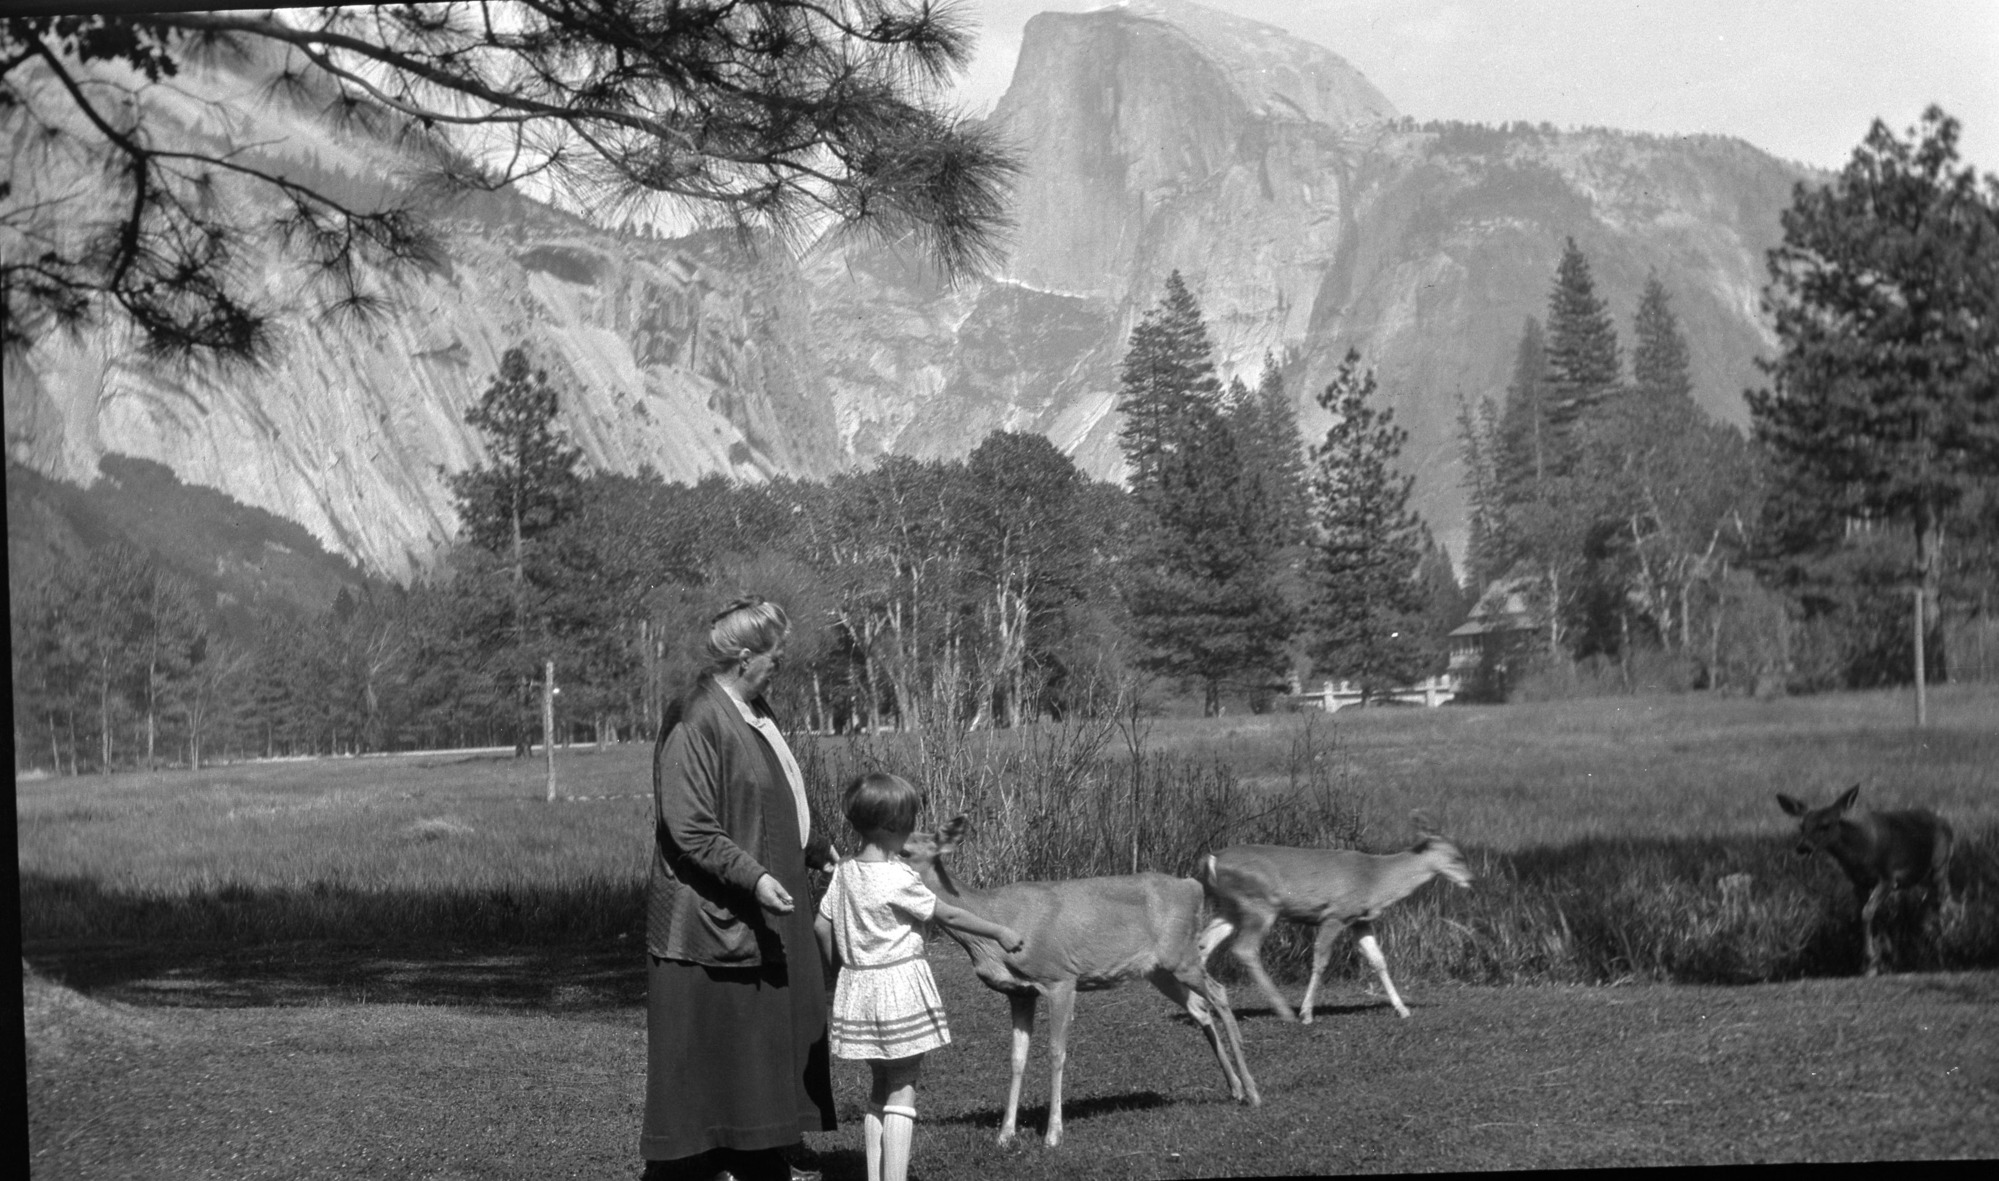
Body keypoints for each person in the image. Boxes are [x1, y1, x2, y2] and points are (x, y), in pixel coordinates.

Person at [643, 597, 836, 1181]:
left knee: (762, 1038)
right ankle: (704, 1160)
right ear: (746, 657)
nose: (781, 664)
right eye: (775, 655)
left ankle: (756, 1151)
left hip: (769, 902)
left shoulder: (755, 708)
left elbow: (775, 788)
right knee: (716, 1041)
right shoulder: (695, 717)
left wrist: (812, 841)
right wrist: (753, 876)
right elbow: (690, 825)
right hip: (709, 914)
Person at [813, 772, 1025, 1181]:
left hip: (860, 989)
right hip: (898, 989)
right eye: (909, 824)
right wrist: (998, 930)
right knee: (903, 1086)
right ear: (892, 827)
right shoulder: (898, 878)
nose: (912, 834)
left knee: (879, 1087)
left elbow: (821, 927)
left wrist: (841, 970)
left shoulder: (843, 873)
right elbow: (945, 913)